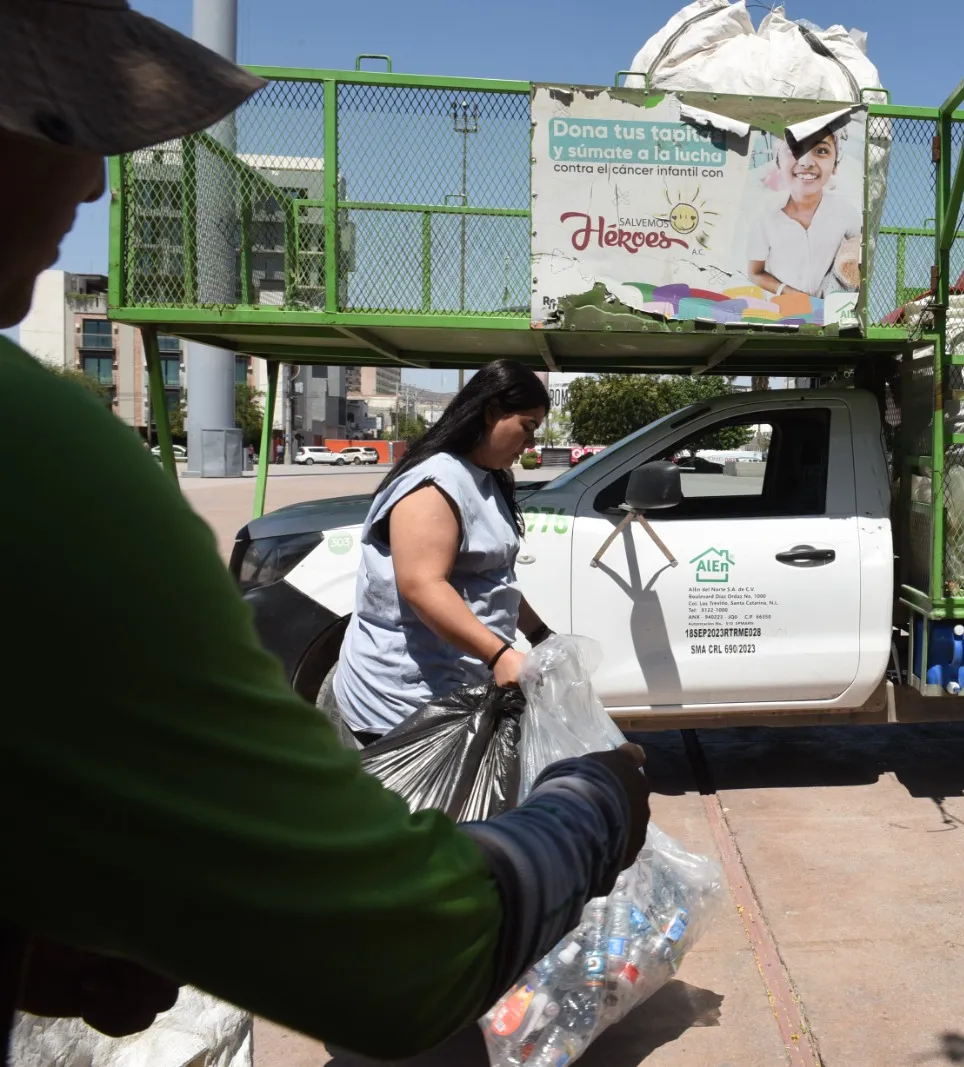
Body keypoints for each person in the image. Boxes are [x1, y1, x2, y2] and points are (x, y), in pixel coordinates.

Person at [0, 1, 649, 1060]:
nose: (96, 180)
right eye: (64, 122)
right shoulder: (40, 456)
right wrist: (592, 804)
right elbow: (400, 955)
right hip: (411, 703)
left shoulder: (492, 484)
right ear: (492, 414)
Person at [328, 361, 552, 742]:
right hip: (403, 704)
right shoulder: (434, 483)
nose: (530, 443)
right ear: (493, 412)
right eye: (527, 427)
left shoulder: (487, 479)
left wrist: (540, 633)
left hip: (455, 692)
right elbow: (422, 584)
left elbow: (492, 578)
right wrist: (500, 656)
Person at [746, 129, 862, 301]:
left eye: (821, 151)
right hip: (779, 317)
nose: (806, 162)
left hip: (828, 318)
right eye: (795, 150)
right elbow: (754, 273)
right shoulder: (764, 216)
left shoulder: (846, 211)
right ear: (778, 161)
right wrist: (791, 294)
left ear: (835, 165)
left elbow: (860, 251)